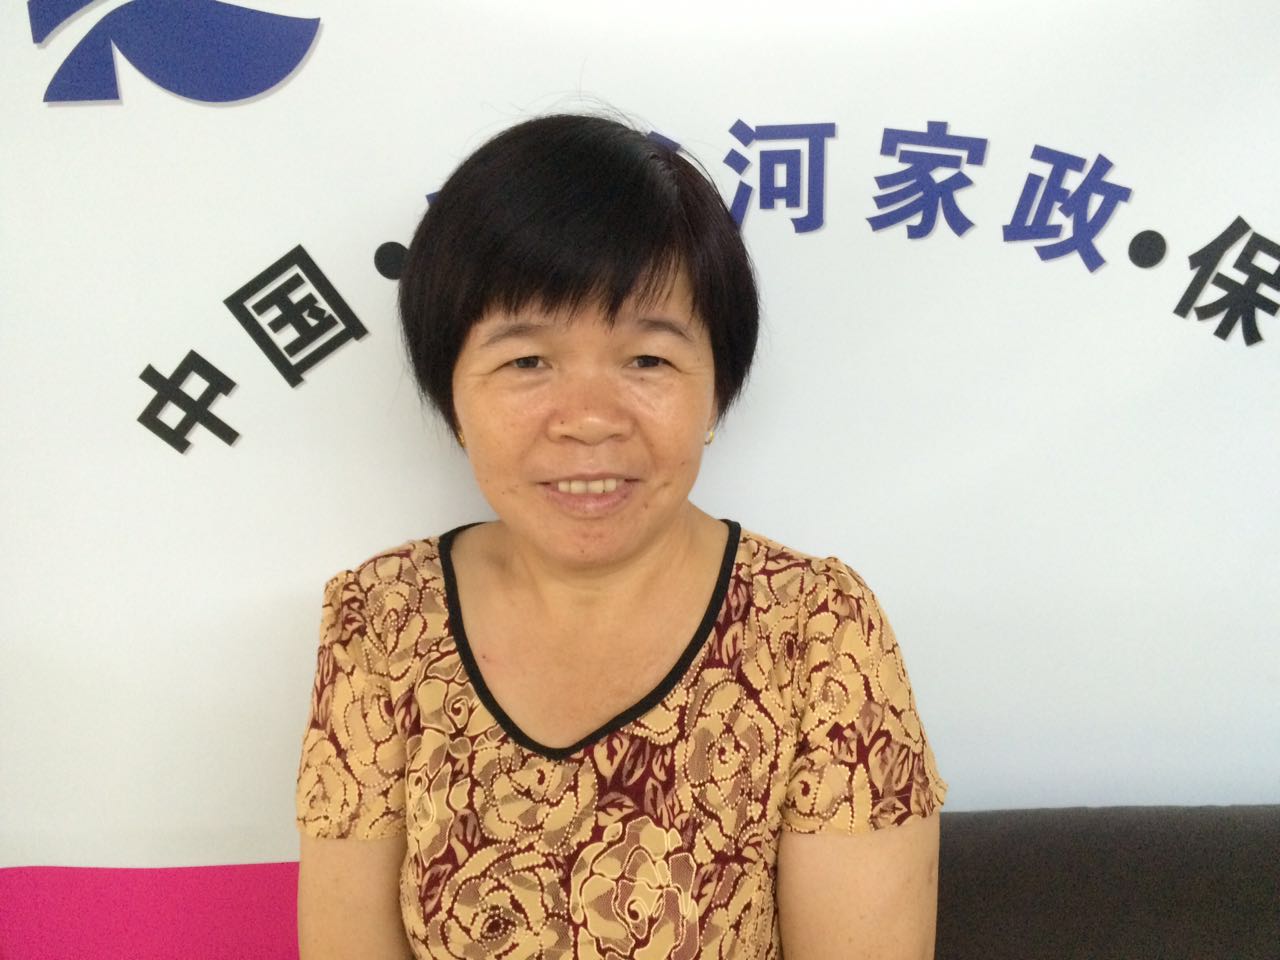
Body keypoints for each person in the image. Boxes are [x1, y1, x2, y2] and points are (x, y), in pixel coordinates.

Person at [294, 112, 947, 960]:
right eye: (527, 361)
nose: (590, 420)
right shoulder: (383, 621)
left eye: (648, 360)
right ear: (452, 395)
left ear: (715, 391)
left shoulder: (816, 633)